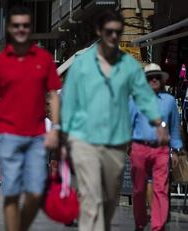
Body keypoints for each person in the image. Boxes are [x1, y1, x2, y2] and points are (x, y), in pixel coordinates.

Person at [61, 10, 168, 231]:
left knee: (109, 198)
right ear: (100, 32)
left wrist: (158, 123)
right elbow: (69, 102)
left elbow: (144, 97)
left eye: (117, 33)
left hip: (115, 141)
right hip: (85, 140)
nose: (113, 36)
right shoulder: (82, 65)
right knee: (91, 197)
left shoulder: (128, 65)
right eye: (109, 32)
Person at [0, 6, 61, 231]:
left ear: (31, 28)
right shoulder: (0, 63)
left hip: (37, 136)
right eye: (16, 25)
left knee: (37, 192)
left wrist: (56, 128)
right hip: (7, 135)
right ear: (9, 28)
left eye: (26, 25)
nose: (21, 29)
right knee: (11, 192)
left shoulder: (44, 59)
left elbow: (54, 97)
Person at [129, 63, 182, 231]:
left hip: (161, 150)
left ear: (161, 79)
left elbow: (174, 127)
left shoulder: (169, 101)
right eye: (149, 77)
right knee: (138, 190)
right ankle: (140, 221)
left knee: (161, 189)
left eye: (157, 77)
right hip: (139, 148)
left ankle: (158, 226)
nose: (153, 80)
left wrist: (176, 149)